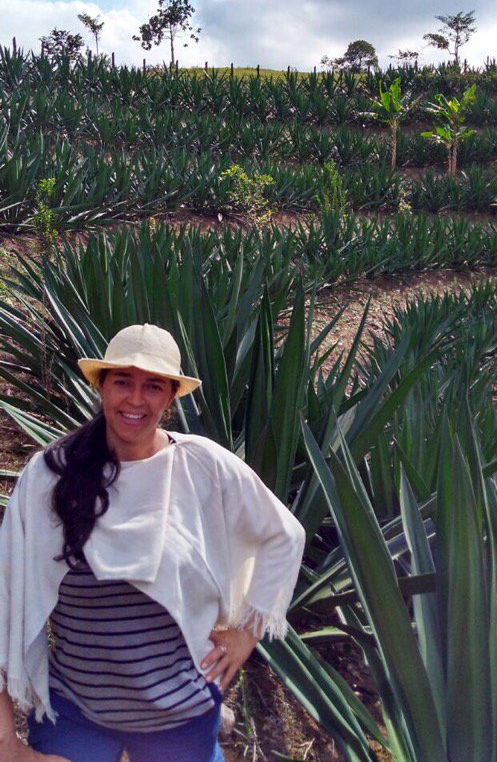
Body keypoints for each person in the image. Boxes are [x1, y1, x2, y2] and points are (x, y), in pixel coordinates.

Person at [0, 324, 306, 762]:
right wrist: (9, 747)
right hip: (75, 712)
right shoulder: (51, 475)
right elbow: (4, 595)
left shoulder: (202, 466)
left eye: (154, 386)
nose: (136, 399)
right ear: (101, 386)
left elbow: (284, 534)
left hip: (181, 715)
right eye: (122, 382)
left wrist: (245, 635)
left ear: (171, 397)